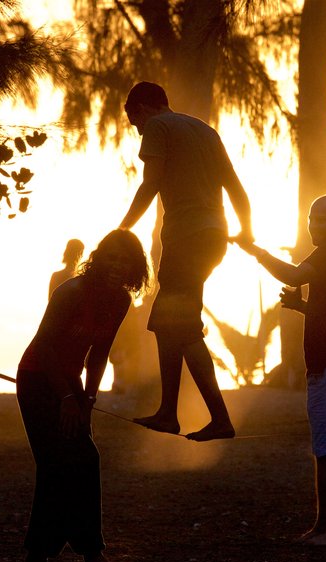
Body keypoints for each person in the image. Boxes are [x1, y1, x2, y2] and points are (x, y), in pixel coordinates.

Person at [119, 80, 254, 442]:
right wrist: (247, 231)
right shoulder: (205, 131)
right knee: (168, 322)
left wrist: (122, 229)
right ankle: (168, 412)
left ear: (144, 110)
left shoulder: (159, 127)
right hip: (213, 237)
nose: (138, 132)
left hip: (186, 239)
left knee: (182, 326)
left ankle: (214, 418)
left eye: (135, 123)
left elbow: (150, 185)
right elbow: (236, 188)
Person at [16, 229, 149, 562]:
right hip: (37, 379)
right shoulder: (71, 292)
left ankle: (90, 556)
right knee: (55, 464)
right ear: (99, 258)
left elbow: (99, 354)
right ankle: (38, 560)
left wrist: (88, 398)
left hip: (71, 384)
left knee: (86, 460)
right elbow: (43, 347)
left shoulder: (121, 301)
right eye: (112, 257)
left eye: (126, 260)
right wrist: (65, 399)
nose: (118, 266)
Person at [235, 194, 326, 546]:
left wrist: (256, 252)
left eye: (323, 219)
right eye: (312, 219)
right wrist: (302, 306)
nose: (314, 225)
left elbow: (292, 273)